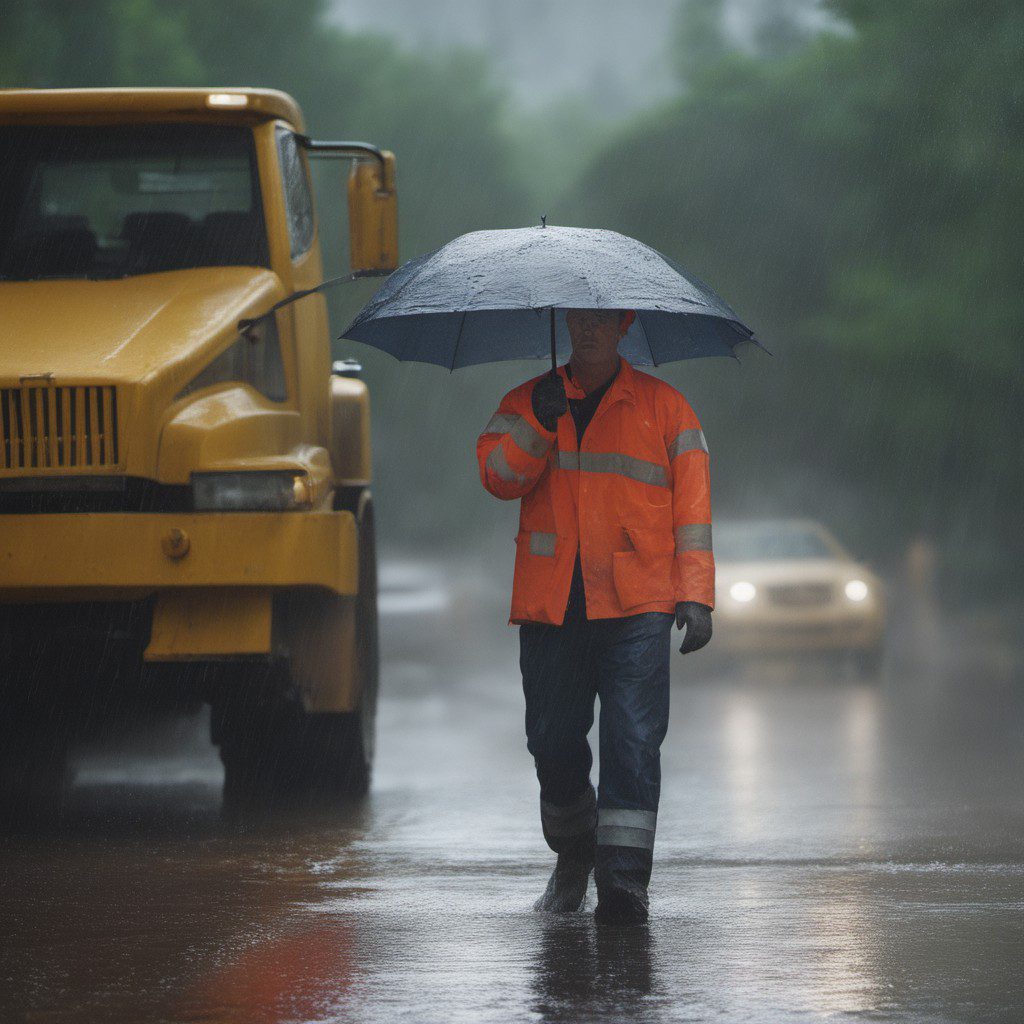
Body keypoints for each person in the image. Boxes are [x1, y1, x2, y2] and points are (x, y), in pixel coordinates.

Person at [476, 308, 714, 926]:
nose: (587, 330)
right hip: (554, 602)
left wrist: (696, 593)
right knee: (551, 740)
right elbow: (498, 477)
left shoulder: (666, 409)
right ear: (565, 325)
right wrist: (538, 420)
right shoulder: (528, 400)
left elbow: (691, 509)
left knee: (633, 741)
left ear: (623, 327)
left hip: (638, 601)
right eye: (577, 320)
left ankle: (624, 885)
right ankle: (576, 850)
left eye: (600, 321)